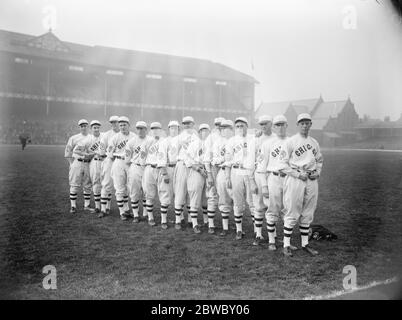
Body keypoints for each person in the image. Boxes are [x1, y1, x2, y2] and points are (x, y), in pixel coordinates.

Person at [280, 113, 324, 257]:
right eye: (302, 123)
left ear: (311, 124)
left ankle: (305, 244)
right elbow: (282, 164)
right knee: (292, 209)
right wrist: (298, 174)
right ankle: (286, 245)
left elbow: (319, 160)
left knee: (308, 211)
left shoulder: (314, 142)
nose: (305, 125)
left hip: (311, 179)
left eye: (307, 123)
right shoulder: (291, 141)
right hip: (296, 178)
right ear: (298, 125)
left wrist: (317, 172)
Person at [260, 115, 292, 251]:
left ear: (286, 125)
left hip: (289, 179)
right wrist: (264, 185)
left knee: (288, 210)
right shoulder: (268, 143)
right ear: (273, 127)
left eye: (282, 124)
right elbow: (261, 167)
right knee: (272, 209)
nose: (280, 127)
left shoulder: (292, 142)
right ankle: (272, 241)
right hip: (273, 178)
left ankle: (286, 243)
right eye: (277, 125)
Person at [224, 117, 257, 240]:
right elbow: (227, 161)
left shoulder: (253, 139)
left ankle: (256, 230)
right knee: (238, 202)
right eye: (237, 126)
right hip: (236, 171)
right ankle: (239, 230)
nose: (239, 128)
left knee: (252, 202)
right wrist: (227, 177)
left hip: (249, 172)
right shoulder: (231, 141)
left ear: (247, 127)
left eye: (242, 125)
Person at [252, 115, 276, 246]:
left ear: (271, 123)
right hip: (259, 173)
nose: (263, 126)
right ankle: (259, 234)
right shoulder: (256, 139)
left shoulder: (277, 138)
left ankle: (274, 235)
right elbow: (252, 159)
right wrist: (252, 181)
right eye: (261, 124)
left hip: (272, 174)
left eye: (266, 123)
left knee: (273, 205)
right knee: (258, 205)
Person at [107, 116, 136, 220]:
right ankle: (122, 212)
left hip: (131, 163)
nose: (122, 127)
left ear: (129, 125)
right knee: (119, 188)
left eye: (124, 125)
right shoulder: (114, 138)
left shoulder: (134, 136)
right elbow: (109, 153)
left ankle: (127, 209)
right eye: (121, 125)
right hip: (119, 161)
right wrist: (118, 155)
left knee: (129, 187)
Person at [173, 116, 199, 230]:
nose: (187, 125)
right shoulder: (178, 138)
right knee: (180, 190)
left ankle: (190, 219)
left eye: (189, 123)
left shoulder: (197, 137)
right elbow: (173, 155)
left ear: (193, 124)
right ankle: (178, 220)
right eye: (184, 123)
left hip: (193, 167)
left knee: (191, 191)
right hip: (182, 165)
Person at [74, 120, 105, 214]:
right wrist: (87, 153)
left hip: (104, 162)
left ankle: (106, 207)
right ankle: (97, 207)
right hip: (94, 162)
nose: (96, 129)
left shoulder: (104, 136)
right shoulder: (88, 139)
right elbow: (76, 150)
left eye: (98, 127)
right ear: (91, 129)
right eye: (94, 128)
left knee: (106, 184)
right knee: (96, 183)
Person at [125, 121, 152, 223]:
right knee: (134, 191)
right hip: (135, 167)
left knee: (147, 191)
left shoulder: (151, 140)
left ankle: (145, 213)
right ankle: (136, 215)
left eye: (142, 128)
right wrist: (131, 170)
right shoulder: (131, 141)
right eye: (138, 128)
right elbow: (127, 159)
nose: (140, 130)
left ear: (146, 129)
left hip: (147, 168)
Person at [141, 122, 166, 226]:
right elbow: (142, 157)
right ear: (150, 130)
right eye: (153, 128)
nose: (155, 130)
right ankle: (150, 218)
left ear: (160, 129)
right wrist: (145, 168)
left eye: (157, 128)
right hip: (149, 168)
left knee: (164, 193)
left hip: (160, 169)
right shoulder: (146, 141)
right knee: (149, 194)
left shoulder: (165, 141)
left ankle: (164, 220)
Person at [65, 119, 92, 213]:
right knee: (74, 184)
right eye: (82, 126)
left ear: (88, 127)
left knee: (88, 185)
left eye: (85, 126)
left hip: (88, 163)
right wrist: (71, 163)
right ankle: (73, 206)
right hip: (77, 162)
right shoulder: (74, 138)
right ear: (79, 127)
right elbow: (68, 151)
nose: (84, 127)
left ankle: (87, 205)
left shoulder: (92, 138)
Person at [212, 119, 234, 236]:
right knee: (223, 198)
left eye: (227, 128)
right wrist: (224, 159)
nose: (224, 130)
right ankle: (225, 227)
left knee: (237, 198)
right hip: (222, 170)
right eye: (222, 128)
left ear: (231, 129)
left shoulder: (237, 140)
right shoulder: (217, 142)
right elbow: (214, 159)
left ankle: (239, 227)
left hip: (235, 172)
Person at [157, 120, 180, 229]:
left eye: (175, 128)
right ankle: (163, 220)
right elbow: (161, 158)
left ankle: (179, 220)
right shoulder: (165, 141)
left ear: (178, 129)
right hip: (168, 167)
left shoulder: (181, 140)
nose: (174, 130)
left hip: (179, 168)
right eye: (171, 128)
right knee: (166, 193)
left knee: (179, 193)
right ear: (168, 129)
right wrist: (164, 173)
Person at [98, 115, 120, 218]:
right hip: (110, 161)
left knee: (121, 186)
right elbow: (102, 152)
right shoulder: (106, 135)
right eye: (112, 122)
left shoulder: (126, 135)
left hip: (121, 162)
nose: (114, 124)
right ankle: (103, 209)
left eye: (116, 122)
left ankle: (109, 207)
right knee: (106, 184)